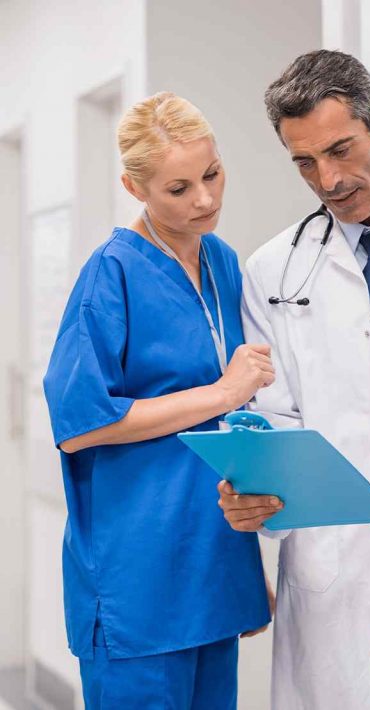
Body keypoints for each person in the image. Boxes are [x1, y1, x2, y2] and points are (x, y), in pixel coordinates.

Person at [217, 50, 370, 710]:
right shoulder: (274, 272)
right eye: (305, 162)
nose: (328, 179)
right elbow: (273, 421)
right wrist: (257, 495)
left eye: (340, 149)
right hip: (334, 574)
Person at [43, 92, 276, 709]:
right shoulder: (111, 274)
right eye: (178, 189)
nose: (204, 199)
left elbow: (230, 426)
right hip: (137, 582)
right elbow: (80, 424)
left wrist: (241, 567)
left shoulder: (223, 263)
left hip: (211, 566)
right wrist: (222, 390)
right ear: (134, 186)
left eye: (211, 174)